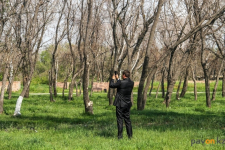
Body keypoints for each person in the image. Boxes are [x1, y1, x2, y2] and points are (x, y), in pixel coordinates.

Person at [109, 70, 134, 139]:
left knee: (120, 120)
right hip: (128, 104)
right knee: (127, 120)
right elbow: (121, 84)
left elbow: (111, 85)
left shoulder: (121, 82)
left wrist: (113, 79)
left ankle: (120, 137)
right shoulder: (132, 83)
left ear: (123, 75)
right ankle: (130, 136)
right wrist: (118, 79)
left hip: (120, 104)